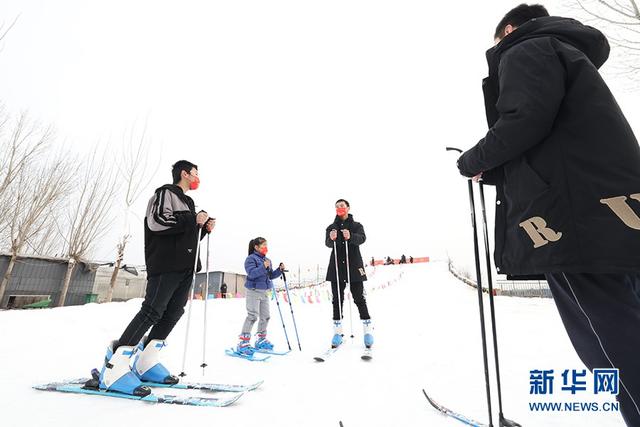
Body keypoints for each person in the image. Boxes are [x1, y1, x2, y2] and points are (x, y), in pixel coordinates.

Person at [456, 5, 640, 425]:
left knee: (611, 345)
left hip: (573, 225)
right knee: (628, 325)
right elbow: (553, 138)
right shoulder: (569, 54)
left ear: (508, 30)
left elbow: (525, 119)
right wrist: (495, 168)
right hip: (614, 214)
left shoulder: (526, 48)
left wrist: (473, 160)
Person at [98, 160, 215, 396]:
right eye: (195, 173)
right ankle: (114, 368)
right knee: (152, 310)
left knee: (174, 312)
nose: (197, 177)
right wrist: (192, 221)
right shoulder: (165, 193)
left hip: (184, 266)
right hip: (166, 264)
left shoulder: (188, 202)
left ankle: (146, 361)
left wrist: (202, 229)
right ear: (184, 173)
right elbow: (158, 222)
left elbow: (182, 237)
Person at [325, 199, 373, 349]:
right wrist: (331, 238)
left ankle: (367, 332)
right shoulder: (331, 227)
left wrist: (351, 236)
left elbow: (362, 239)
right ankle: (337, 333)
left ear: (348, 208)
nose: (340, 208)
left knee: (359, 297)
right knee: (337, 299)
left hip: (354, 266)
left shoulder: (357, 225)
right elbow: (327, 243)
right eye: (337, 207)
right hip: (337, 267)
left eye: (342, 206)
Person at [235, 237, 285, 356]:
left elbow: (270, 275)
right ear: (256, 247)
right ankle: (243, 342)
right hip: (253, 290)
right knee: (252, 316)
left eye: (266, 245)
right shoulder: (250, 259)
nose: (265, 248)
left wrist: (279, 270)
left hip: (264, 291)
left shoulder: (267, 260)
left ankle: (261, 339)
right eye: (263, 245)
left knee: (266, 316)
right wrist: (264, 267)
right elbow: (252, 273)